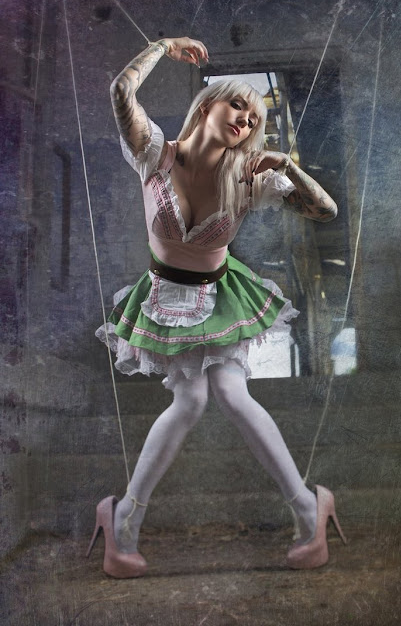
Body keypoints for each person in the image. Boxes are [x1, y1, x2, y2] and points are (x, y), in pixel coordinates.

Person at [87, 37, 346, 578]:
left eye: (254, 119)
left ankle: (303, 509)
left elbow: (325, 211)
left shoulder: (249, 179)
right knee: (191, 402)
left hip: (221, 295)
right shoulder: (154, 153)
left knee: (222, 394)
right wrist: (161, 46)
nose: (246, 121)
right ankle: (127, 518)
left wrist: (288, 166)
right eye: (238, 106)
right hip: (165, 296)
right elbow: (120, 91)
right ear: (207, 105)